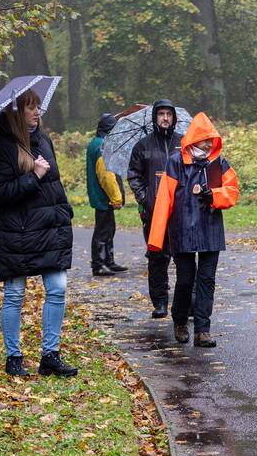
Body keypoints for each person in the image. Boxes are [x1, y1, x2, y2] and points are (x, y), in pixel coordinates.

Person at [0, 90, 77, 377]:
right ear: (16, 113)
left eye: (38, 107)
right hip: (17, 234)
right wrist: (33, 176)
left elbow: (56, 186)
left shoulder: (44, 141)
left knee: (58, 288)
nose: (37, 112)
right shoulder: (1, 148)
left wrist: (64, 212)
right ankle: (13, 356)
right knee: (15, 293)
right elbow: (1, 194)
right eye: (31, 108)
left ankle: (50, 355)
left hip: (49, 230)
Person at [148, 113, 239, 347]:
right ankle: (179, 322)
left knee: (206, 280)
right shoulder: (176, 161)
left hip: (210, 230)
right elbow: (164, 200)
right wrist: (156, 239)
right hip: (182, 230)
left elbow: (232, 191)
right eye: (204, 139)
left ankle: (203, 330)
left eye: (211, 139)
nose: (209, 143)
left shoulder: (218, 163)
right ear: (193, 139)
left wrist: (215, 196)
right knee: (185, 280)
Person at [128, 100, 181, 319]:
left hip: (180, 211)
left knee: (184, 258)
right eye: (161, 114)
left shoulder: (183, 143)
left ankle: (186, 303)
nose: (165, 118)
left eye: (169, 114)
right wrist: (144, 198)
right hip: (154, 212)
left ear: (174, 117)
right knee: (157, 257)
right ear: (155, 117)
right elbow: (134, 175)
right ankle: (159, 302)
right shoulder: (143, 145)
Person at [86, 113, 127, 276]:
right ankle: (99, 264)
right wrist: (116, 198)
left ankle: (108, 261)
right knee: (103, 231)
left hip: (100, 196)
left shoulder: (95, 143)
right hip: (104, 197)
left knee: (109, 229)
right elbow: (106, 176)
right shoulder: (102, 145)